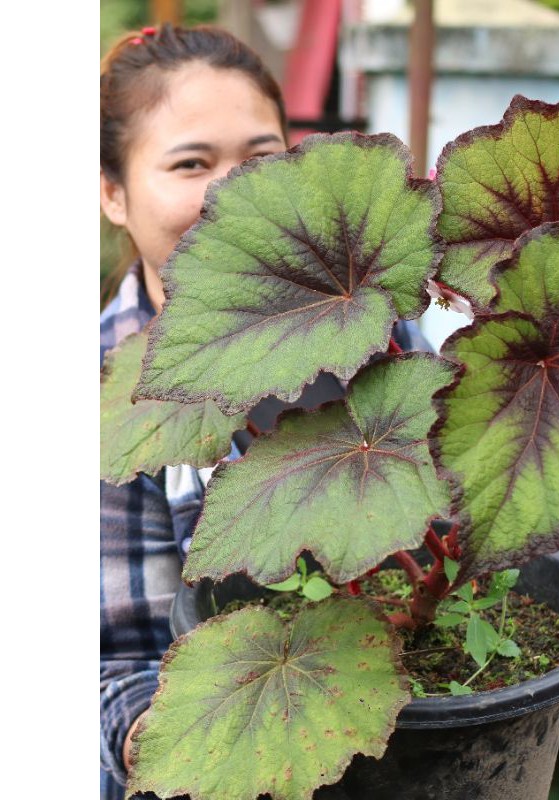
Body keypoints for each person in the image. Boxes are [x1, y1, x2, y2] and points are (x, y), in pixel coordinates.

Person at [99, 23, 429, 800]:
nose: (236, 189)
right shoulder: (96, 391)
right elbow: (98, 662)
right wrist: (214, 741)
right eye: (192, 163)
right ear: (111, 193)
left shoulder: (380, 332)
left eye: (262, 158)